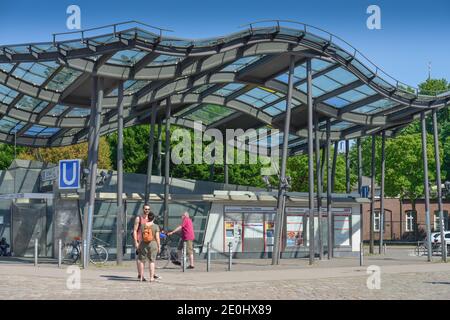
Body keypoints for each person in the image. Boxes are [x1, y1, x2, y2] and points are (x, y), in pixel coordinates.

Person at [133, 204, 161, 281]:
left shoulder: (149, 218)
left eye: (148, 209)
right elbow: (135, 230)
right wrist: (136, 241)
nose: (147, 210)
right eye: (145, 209)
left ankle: (148, 275)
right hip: (141, 240)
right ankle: (140, 274)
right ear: (143, 209)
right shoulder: (139, 218)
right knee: (140, 259)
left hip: (149, 241)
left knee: (145, 259)